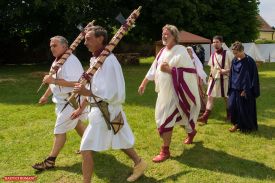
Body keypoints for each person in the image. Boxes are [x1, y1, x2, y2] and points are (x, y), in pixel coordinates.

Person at [70, 26, 147, 183]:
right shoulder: (96, 60)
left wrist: (86, 93)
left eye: (88, 38)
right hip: (101, 111)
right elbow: (93, 87)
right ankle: (139, 163)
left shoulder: (109, 62)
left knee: (85, 148)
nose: (85, 42)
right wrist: (81, 107)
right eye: (84, 39)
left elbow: (111, 93)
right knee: (119, 137)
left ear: (100, 39)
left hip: (107, 110)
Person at [138, 25, 200, 163]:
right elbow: (152, 69)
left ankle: (165, 151)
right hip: (163, 93)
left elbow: (190, 72)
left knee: (167, 120)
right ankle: (191, 132)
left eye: (167, 34)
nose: (164, 36)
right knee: (177, 116)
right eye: (163, 34)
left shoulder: (181, 50)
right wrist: (144, 83)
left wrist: (170, 70)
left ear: (174, 36)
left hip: (176, 93)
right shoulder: (161, 52)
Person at [32, 36, 87, 170]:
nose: (51, 48)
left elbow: (79, 83)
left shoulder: (71, 61)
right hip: (61, 101)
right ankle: (89, 146)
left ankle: (50, 161)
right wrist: (45, 96)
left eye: (54, 45)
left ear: (64, 46)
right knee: (77, 124)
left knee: (59, 130)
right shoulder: (58, 61)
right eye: (51, 46)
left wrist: (53, 81)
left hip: (71, 101)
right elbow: (53, 81)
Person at [198, 35, 233, 125]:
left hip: (225, 79)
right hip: (214, 80)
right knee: (210, 97)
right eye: (213, 42)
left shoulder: (228, 53)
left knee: (226, 98)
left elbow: (235, 67)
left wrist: (226, 71)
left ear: (221, 43)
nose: (215, 44)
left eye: (217, 42)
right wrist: (209, 79)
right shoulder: (213, 55)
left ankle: (230, 116)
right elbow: (212, 68)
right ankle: (205, 117)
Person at [228, 41, 260, 132]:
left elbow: (252, 77)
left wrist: (246, 90)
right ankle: (236, 123)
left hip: (245, 89)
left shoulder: (250, 61)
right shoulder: (234, 60)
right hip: (234, 88)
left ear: (242, 51)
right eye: (233, 53)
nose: (235, 55)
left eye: (236, 53)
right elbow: (232, 74)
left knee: (244, 108)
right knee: (232, 106)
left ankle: (246, 126)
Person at [187, 46, 207, 112]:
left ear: (192, 52)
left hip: (196, 77)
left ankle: (203, 107)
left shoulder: (195, 60)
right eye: (187, 51)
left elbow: (199, 70)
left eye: (189, 51)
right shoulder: (185, 60)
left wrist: (198, 79)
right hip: (188, 78)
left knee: (199, 92)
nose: (188, 53)